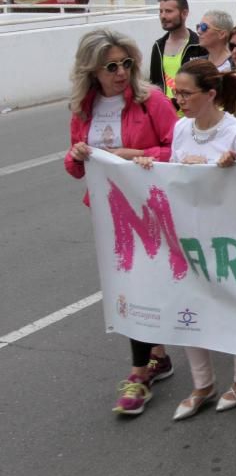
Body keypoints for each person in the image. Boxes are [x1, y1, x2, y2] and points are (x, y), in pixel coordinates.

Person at [133, 59, 236, 421]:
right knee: (189, 307)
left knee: (235, 307)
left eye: (186, 93)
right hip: (188, 235)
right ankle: (202, 385)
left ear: (211, 94)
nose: (179, 100)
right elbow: (173, 180)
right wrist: (151, 169)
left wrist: (231, 170)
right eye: (176, 93)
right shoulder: (182, 129)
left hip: (231, 238)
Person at [65, 29, 178, 415]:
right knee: (129, 285)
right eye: (111, 66)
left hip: (150, 209)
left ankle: (138, 371)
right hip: (108, 213)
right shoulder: (83, 108)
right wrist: (78, 154)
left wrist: (136, 154)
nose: (120, 72)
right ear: (93, 70)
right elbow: (76, 167)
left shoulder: (153, 101)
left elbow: (177, 148)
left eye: (126, 63)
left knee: (138, 285)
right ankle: (156, 356)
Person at [151, 0, 206, 99]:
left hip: (193, 112)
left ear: (184, 13)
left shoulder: (199, 44)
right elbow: (155, 83)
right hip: (166, 112)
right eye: (161, 11)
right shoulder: (158, 46)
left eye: (168, 11)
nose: (163, 16)